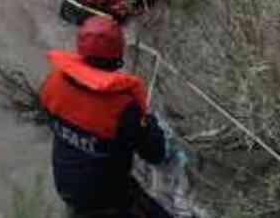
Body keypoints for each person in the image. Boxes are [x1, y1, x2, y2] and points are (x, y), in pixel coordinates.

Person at [38, 16, 184, 218]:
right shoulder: (122, 108)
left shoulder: (54, 83)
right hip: (108, 200)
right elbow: (156, 153)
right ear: (118, 53)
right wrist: (151, 123)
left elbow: (52, 117)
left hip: (66, 188)